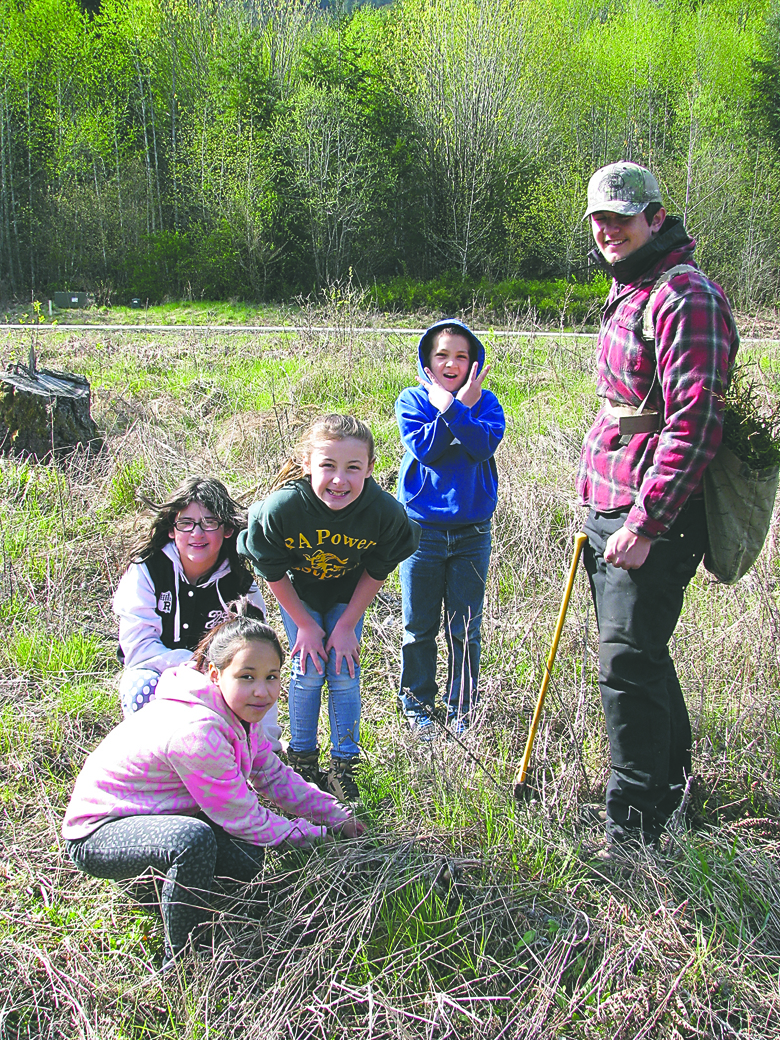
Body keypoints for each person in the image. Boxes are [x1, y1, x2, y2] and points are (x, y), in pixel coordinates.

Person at [577, 161, 739, 853]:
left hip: (652, 512)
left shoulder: (683, 295)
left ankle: (632, 830)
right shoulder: (632, 287)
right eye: (599, 219)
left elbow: (695, 423)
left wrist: (646, 521)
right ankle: (673, 796)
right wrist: (596, 500)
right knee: (641, 656)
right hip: (611, 499)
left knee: (626, 665)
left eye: (622, 216)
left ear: (655, 217)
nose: (609, 229)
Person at [63, 600, 363, 967]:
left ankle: (164, 887)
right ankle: (187, 959)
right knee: (192, 841)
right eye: (247, 676)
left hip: (157, 813)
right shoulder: (199, 731)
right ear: (216, 675)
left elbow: (272, 775)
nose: (261, 691)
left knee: (247, 857)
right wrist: (317, 837)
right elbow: (246, 818)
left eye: (271, 677)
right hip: (99, 832)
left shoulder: (236, 716)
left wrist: (335, 816)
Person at [238, 414, 420, 802]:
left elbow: (377, 569)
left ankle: (344, 765)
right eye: (327, 466)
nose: (340, 479)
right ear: (307, 465)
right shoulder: (283, 508)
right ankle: (302, 758)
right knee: (308, 668)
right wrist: (303, 625)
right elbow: (270, 568)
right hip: (298, 595)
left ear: (370, 469)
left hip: (347, 596)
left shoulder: (383, 512)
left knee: (343, 667)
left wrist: (346, 625)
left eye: (353, 468)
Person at [112, 476, 282, 753]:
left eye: (209, 523)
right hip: (161, 675)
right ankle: (156, 763)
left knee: (252, 678)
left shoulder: (239, 582)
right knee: (138, 685)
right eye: (186, 523)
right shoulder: (147, 571)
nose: (197, 534)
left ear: (227, 529)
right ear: (171, 530)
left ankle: (249, 758)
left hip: (219, 681)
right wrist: (195, 668)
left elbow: (260, 657)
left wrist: (270, 746)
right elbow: (137, 648)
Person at [395, 319, 505, 736]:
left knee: (464, 628)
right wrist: (451, 411)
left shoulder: (487, 403)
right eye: (442, 354)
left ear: (473, 363)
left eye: (461, 355)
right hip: (421, 531)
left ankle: (462, 707)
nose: (451, 363)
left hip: (472, 534)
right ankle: (417, 704)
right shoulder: (411, 401)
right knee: (417, 625)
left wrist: (460, 407)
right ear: (428, 362)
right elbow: (425, 449)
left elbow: (480, 446)